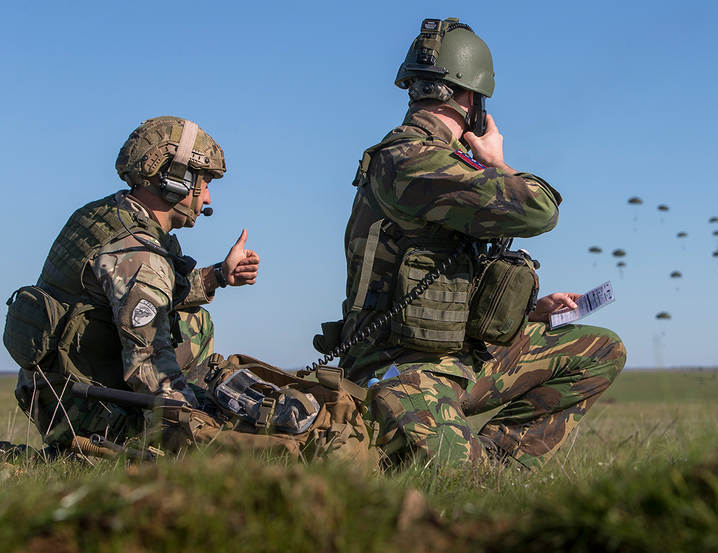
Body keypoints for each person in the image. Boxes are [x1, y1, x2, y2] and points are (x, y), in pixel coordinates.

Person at [323, 18, 626, 470]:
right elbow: (540, 209)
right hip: (402, 368)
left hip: (455, 359)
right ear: (471, 98)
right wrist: (497, 163)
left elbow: (445, 277)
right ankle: (470, 465)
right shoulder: (412, 162)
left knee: (599, 350)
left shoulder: (437, 163)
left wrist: (530, 313)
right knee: (457, 479)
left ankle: (502, 467)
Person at [7, 116, 260, 450]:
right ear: (175, 178)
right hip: (82, 413)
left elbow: (146, 292)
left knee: (195, 320)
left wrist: (218, 276)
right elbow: (150, 361)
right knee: (197, 347)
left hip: (48, 393)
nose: (209, 198)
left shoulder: (105, 215)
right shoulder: (138, 252)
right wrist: (198, 425)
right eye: (205, 182)